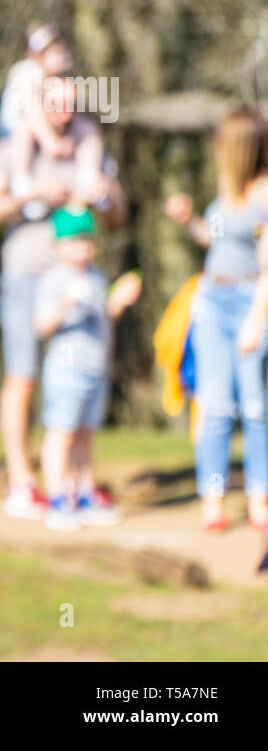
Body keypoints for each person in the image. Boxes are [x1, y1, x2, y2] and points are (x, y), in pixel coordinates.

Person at [0, 92, 128, 519]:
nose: (64, 110)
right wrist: (31, 194)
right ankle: (23, 481)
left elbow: (119, 215)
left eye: (71, 101)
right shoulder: (11, 148)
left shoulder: (89, 146)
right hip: (27, 273)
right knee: (23, 376)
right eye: (54, 101)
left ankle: (78, 484)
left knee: (80, 384)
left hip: (81, 278)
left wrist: (103, 193)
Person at [164, 106, 268, 531]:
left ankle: (259, 498)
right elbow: (216, 242)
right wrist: (190, 222)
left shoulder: (264, 194)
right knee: (215, 405)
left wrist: (256, 321)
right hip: (212, 300)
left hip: (250, 303)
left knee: (256, 407)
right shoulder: (226, 191)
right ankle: (214, 499)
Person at [34, 206, 141, 530]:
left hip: (96, 367)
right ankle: (57, 497)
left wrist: (117, 302)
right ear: (59, 246)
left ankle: (84, 492)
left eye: (89, 240)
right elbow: (41, 326)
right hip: (67, 370)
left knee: (85, 435)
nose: (85, 248)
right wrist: (64, 305)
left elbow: (103, 317)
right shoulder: (54, 279)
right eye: (76, 241)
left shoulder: (96, 276)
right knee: (61, 433)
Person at [0, 23, 107, 219]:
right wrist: (51, 141)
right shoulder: (24, 72)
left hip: (47, 129)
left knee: (87, 128)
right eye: (55, 52)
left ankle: (89, 178)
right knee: (24, 130)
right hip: (16, 129)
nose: (62, 56)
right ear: (36, 55)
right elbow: (32, 110)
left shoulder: (60, 78)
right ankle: (23, 184)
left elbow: (71, 108)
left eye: (63, 50)